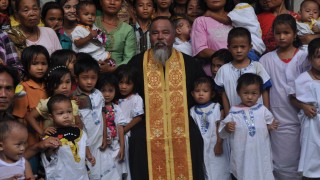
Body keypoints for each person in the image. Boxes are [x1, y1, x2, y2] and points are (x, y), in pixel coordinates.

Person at [128, 16, 206, 180]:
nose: (160, 37)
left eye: (165, 32)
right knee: (138, 142)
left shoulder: (189, 63)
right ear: (150, 37)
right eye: (155, 33)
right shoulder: (136, 63)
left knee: (194, 139)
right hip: (146, 125)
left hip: (181, 124)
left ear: (174, 36)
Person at [259, 14, 310, 180]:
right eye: (278, 33)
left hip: (304, 117)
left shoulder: (304, 57)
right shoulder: (265, 60)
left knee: (306, 161)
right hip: (278, 121)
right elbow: (263, 91)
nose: (282, 37)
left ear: (295, 34)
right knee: (282, 164)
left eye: (286, 33)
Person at [219, 73, 278, 180]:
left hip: (260, 151)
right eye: (245, 93)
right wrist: (228, 127)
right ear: (238, 93)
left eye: (254, 93)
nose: (249, 97)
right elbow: (223, 131)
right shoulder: (234, 111)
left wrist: (271, 127)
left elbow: (267, 125)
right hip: (243, 153)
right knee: (244, 174)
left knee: (263, 172)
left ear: (260, 94)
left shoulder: (262, 110)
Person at [214, 27, 271, 115]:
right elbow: (224, 95)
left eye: (242, 47)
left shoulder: (257, 67)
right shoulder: (223, 70)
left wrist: (267, 114)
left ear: (250, 47)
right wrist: (228, 115)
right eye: (235, 47)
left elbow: (264, 91)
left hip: (258, 117)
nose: (239, 50)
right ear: (228, 48)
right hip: (236, 119)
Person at [12, 45, 49, 174]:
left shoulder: (49, 85)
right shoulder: (23, 87)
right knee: (31, 171)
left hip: (49, 139)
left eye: (43, 63)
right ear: (26, 65)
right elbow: (20, 118)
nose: (40, 67)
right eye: (35, 64)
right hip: (31, 142)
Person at [72, 54, 110, 179]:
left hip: (98, 138)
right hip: (85, 140)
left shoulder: (99, 94)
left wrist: (105, 135)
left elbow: (103, 114)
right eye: (85, 78)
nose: (89, 82)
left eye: (93, 78)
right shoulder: (74, 97)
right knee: (87, 167)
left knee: (100, 169)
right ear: (76, 78)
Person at [41, 94, 94, 179]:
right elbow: (47, 155)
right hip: (61, 175)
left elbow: (84, 143)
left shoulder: (78, 131)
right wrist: (52, 148)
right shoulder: (51, 135)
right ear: (51, 117)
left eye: (69, 112)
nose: (66, 116)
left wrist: (89, 155)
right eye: (60, 113)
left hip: (80, 174)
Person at [25, 66, 82, 140]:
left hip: (71, 144)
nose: (65, 86)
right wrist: (42, 132)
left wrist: (77, 128)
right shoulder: (48, 103)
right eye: (59, 83)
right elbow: (30, 117)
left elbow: (79, 123)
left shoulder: (72, 103)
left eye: (68, 82)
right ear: (51, 85)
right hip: (52, 144)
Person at [190, 77, 231, 180]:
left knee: (219, 168)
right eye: (197, 91)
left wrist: (219, 144)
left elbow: (220, 127)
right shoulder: (192, 111)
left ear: (212, 94)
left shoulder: (217, 108)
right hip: (201, 147)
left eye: (205, 91)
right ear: (192, 94)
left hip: (216, 144)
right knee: (205, 170)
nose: (201, 94)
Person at [294, 38, 320, 179]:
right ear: (310, 58)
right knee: (312, 155)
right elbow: (292, 97)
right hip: (312, 123)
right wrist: (304, 106)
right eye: (318, 56)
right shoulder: (303, 79)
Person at [96, 73, 127, 179]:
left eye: (110, 90)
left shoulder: (117, 108)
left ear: (115, 91)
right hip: (101, 146)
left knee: (116, 174)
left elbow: (120, 128)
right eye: (103, 90)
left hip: (115, 146)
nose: (107, 94)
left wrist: (122, 147)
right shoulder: (96, 108)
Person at [116, 64, 144, 180]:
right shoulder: (115, 98)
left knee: (124, 161)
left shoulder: (136, 98)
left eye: (128, 83)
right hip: (114, 135)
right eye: (121, 82)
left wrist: (123, 131)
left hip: (125, 135)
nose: (123, 86)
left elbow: (138, 117)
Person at [191, 0, 233, 76]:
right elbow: (201, 51)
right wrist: (227, 58)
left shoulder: (236, 17)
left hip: (237, 71)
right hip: (212, 73)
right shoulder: (200, 21)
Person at [95, 0, 136, 72]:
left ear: (122, 3)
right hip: (90, 75)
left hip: (118, 76)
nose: (112, 2)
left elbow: (130, 58)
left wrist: (114, 68)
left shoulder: (127, 29)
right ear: (101, 2)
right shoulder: (92, 23)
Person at [72, 1, 114, 67]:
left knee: (111, 62)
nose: (90, 17)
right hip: (86, 56)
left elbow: (103, 41)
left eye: (93, 14)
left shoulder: (95, 27)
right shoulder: (78, 29)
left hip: (98, 53)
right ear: (78, 17)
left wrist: (102, 38)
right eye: (86, 14)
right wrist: (89, 37)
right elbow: (77, 43)